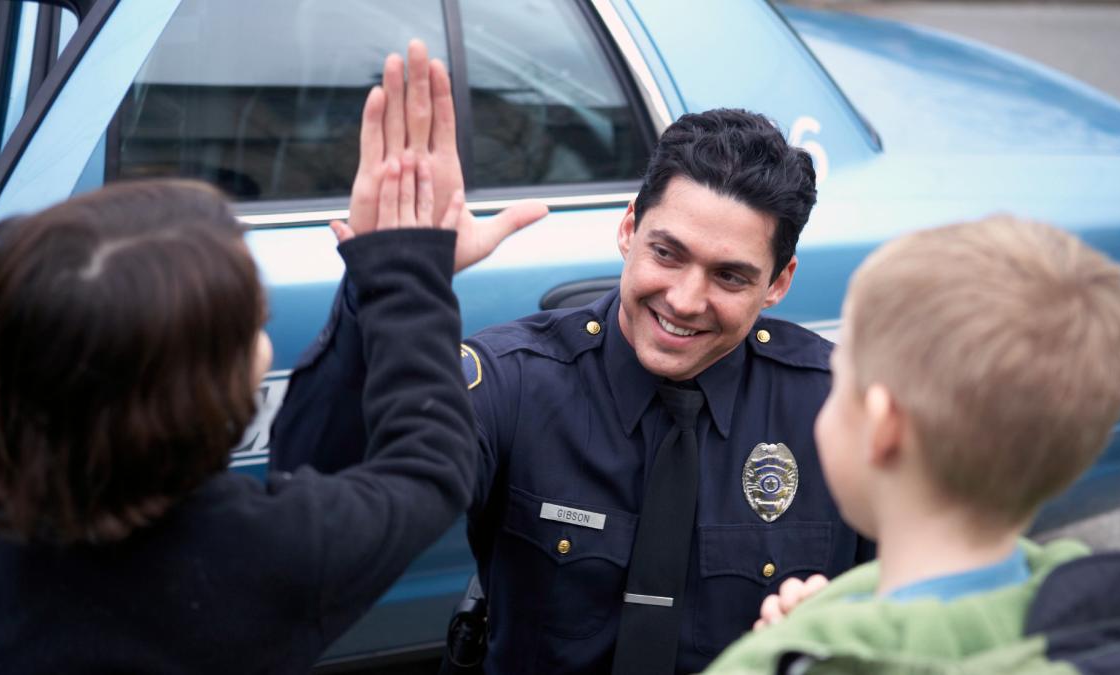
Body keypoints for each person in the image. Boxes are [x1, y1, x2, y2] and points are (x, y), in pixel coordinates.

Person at [272, 40, 873, 675]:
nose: (685, 299)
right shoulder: (514, 381)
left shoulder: (835, 408)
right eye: (666, 254)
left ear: (778, 283)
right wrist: (385, 286)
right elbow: (318, 497)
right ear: (627, 230)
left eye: (729, 277)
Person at [0, 47, 543, 672]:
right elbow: (429, 468)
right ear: (200, 396)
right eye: (256, 324)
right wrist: (410, 270)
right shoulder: (257, 558)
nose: (267, 337)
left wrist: (382, 279)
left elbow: (324, 472)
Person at [703, 216, 1120, 674]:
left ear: (882, 426)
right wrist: (829, 618)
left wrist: (794, 649)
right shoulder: (1115, 634)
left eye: (840, 379)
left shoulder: (776, 662)